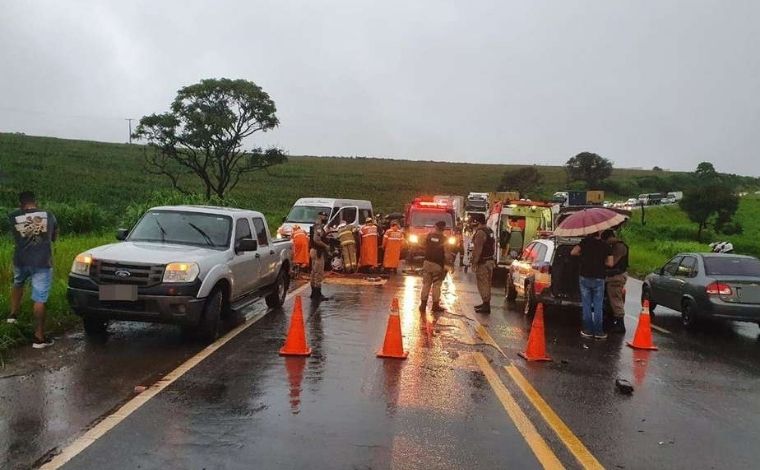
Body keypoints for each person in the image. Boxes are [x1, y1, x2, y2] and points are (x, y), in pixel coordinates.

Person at [7, 191, 57, 349]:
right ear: (35, 201)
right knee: (40, 298)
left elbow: (16, 236)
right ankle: (39, 338)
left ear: (21, 203)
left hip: (20, 259)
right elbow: (54, 237)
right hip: (42, 261)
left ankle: (13, 316)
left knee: (18, 282)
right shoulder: (48, 215)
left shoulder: (13, 216)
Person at [571, 231, 613, 339]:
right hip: (599, 277)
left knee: (586, 304)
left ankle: (587, 330)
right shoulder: (606, 245)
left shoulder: (585, 242)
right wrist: (601, 261)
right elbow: (610, 263)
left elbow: (573, 252)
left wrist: (583, 255)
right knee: (598, 305)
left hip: (585, 276)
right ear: (600, 233)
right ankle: (599, 332)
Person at [602, 229, 628, 334]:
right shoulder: (616, 246)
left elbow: (611, 263)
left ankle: (620, 324)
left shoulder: (619, 247)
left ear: (610, 237)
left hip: (616, 277)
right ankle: (612, 321)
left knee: (615, 299)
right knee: (610, 300)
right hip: (614, 276)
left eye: (606, 240)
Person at [420, 221, 448, 313]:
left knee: (426, 284)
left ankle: (423, 305)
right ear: (443, 229)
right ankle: (435, 305)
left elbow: (422, 244)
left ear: (435, 227)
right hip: (437, 265)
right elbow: (447, 253)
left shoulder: (429, 236)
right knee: (436, 285)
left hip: (427, 262)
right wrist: (447, 265)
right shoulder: (444, 239)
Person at [470, 213, 496, 314]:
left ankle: (486, 305)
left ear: (477, 222)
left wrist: (474, 262)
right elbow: (493, 246)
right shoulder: (489, 231)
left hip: (483, 262)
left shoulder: (480, 233)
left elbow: (478, 249)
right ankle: (485, 303)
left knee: (483, 283)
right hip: (489, 261)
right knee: (487, 283)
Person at [309, 211, 330, 301]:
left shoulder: (315, 225)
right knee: (318, 272)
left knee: (314, 272)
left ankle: (314, 293)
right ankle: (317, 293)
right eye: (324, 217)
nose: (325, 218)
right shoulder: (318, 226)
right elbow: (317, 239)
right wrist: (326, 246)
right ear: (321, 217)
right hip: (318, 252)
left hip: (314, 251)